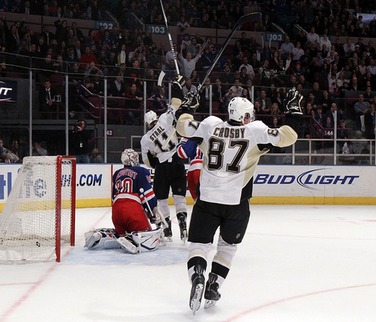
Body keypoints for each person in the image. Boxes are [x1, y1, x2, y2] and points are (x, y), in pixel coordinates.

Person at [175, 88, 302, 313]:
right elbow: (288, 136)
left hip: (207, 200)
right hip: (237, 203)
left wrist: (187, 107)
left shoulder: (210, 125)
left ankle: (197, 275)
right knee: (227, 247)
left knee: (199, 246)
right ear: (245, 117)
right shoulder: (255, 131)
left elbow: (181, 125)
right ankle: (214, 284)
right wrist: (293, 112)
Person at [84, 149, 164, 254]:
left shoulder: (117, 174)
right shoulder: (142, 171)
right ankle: (132, 239)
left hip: (116, 211)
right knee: (145, 235)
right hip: (132, 210)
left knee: (121, 233)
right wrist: (153, 213)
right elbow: (148, 197)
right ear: (132, 159)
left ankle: (102, 235)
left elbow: (113, 197)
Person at [140, 91, 192, 243]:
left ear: (147, 123)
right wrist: (179, 92)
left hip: (162, 167)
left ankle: (167, 227)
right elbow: (175, 105)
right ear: (156, 118)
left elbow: (147, 161)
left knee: (162, 199)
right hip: (177, 163)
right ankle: (182, 223)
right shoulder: (164, 119)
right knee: (179, 197)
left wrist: (156, 163)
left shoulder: (145, 140)